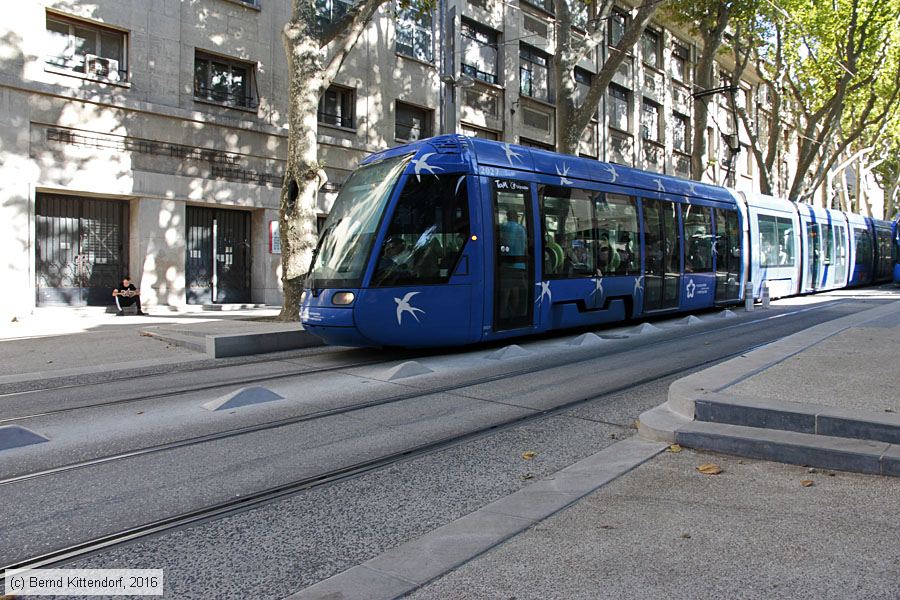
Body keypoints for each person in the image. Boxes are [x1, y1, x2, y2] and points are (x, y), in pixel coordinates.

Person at [498, 209, 527, 318]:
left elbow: (507, 245)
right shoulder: (522, 229)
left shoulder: (505, 227)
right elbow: (524, 248)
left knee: (505, 293)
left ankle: (502, 315)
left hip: (508, 266)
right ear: (516, 217)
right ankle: (517, 316)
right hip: (520, 266)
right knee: (515, 292)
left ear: (508, 216)